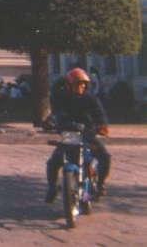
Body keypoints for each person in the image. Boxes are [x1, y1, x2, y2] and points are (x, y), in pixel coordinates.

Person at [45, 68, 111, 202]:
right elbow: (56, 113)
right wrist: (50, 122)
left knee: (105, 156)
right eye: (76, 84)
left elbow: (100, 115)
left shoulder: (91, 99)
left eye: (82, 84)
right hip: (68, 135)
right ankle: (52, 189)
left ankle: (101, 185)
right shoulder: (61, 98)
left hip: (87, 135)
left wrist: (102, 125)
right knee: (53, 163)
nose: (80, 87)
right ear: (69, 85)